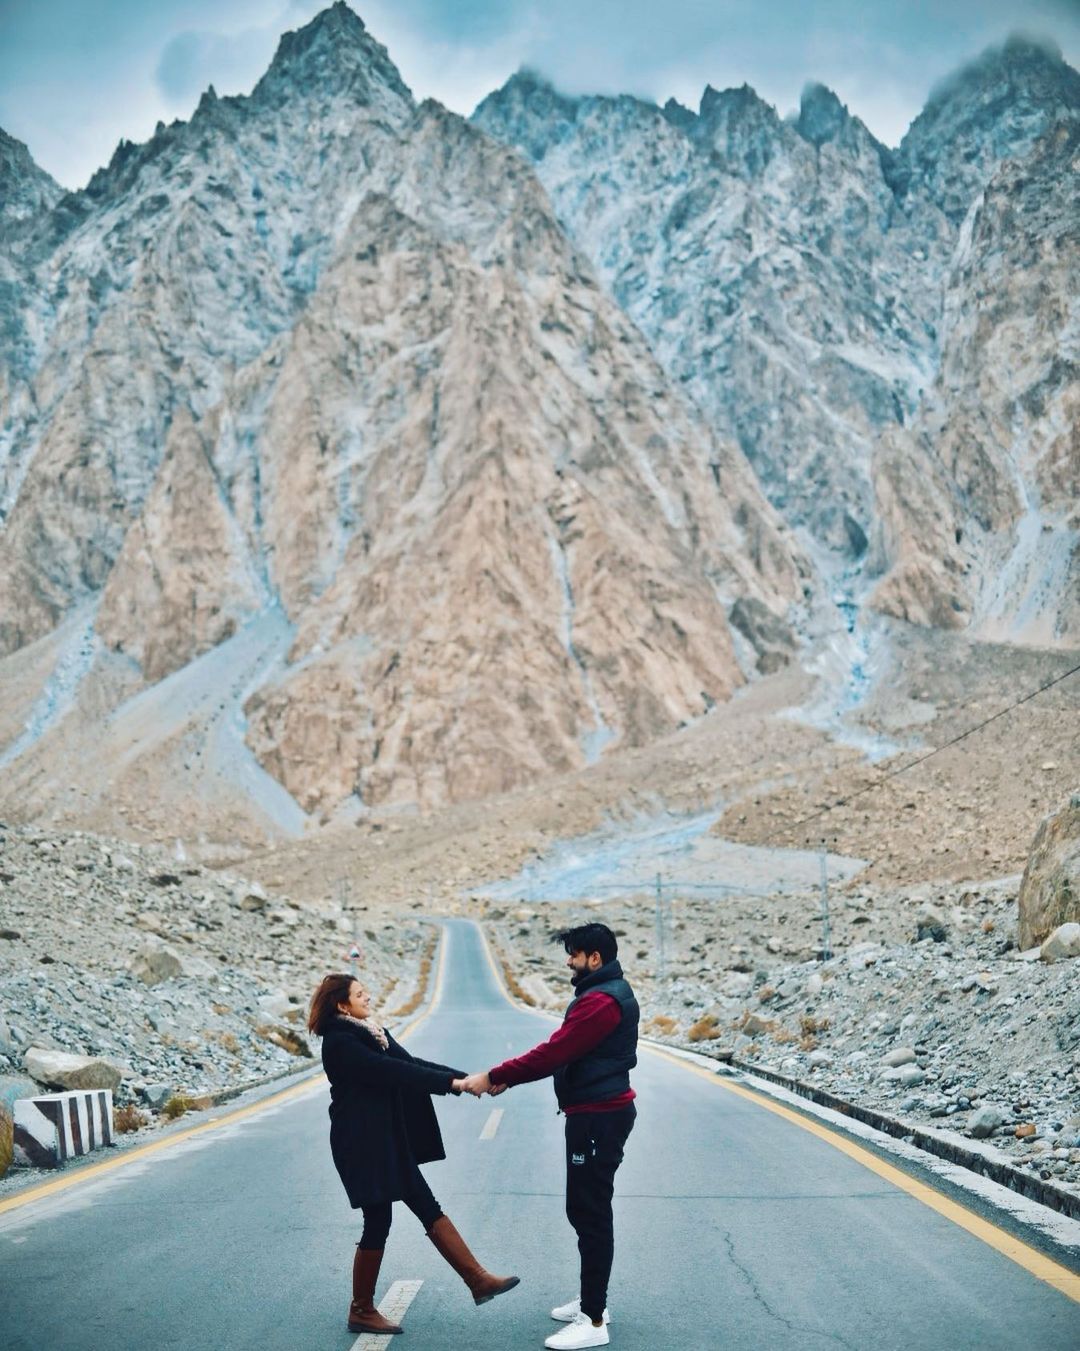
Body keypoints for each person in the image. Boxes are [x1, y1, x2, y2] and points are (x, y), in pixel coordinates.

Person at [460, 922, 638, 1350]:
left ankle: (594, 1321)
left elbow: (556, 1052)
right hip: (595, 1114)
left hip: (599, 1117)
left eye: (574, 954)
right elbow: (563, 1049)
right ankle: (594, 1301)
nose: (568, 961)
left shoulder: (600, 1002)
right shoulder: (605, 993)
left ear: (595, 958)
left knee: (589, 1213)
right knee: (586, 1211)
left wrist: (495, 1076)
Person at [309, 972, 519, 1334]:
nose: (368, 996)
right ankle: (361, 1309)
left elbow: (413, 1063)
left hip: (386, 1139)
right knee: (380, 1219)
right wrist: (453, 1085)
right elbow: (391, 1072)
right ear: (342, 1004)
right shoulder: (340, 1041)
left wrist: (468, 1080)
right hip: (361, 1143)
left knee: (425, 1205)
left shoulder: (370, 1032)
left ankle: (478, 1280)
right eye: (360, 993)